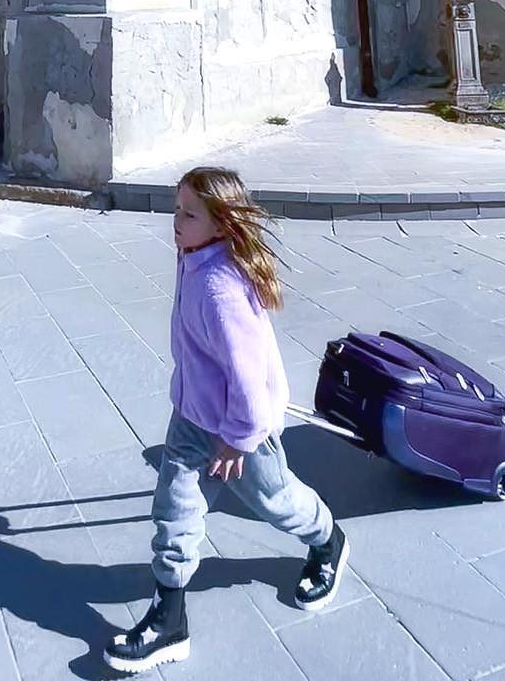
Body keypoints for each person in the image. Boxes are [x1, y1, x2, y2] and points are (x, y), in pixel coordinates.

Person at [103, 166, 349, 673]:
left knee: (277, 501)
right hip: (193, 416)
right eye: (176, 209)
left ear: (220, 225)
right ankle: (169, 620)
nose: (176, 221)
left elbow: (250, 382)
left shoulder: (220, 291)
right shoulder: (194, 253)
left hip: (240, 429)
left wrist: (237, 441)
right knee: (174, 508)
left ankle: (328, 540)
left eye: (189, 214)